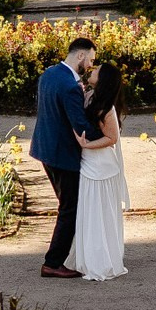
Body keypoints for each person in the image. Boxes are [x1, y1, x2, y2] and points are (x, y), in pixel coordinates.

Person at [30, 36, 98, 278]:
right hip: (62, 154)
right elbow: (80, 126)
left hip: (44, 148)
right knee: (70, 208)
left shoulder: (49, 74)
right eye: (90, 60)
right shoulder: (70, 86)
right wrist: (108, 136)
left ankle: (71, 254)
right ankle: (53, 262)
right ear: (80, 55)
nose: (90, 65)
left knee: (68, 205)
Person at [66, 60, 128, 282]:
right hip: (89, 162)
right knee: (89, 212)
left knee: (98, 213)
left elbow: (112, 138)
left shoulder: (105, 108)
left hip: (101, 167)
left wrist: (87, 145)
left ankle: (100, 261)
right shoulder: (90, 96)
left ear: (103, 80)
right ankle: (90, 256)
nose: (93, 70)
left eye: (98, 70)